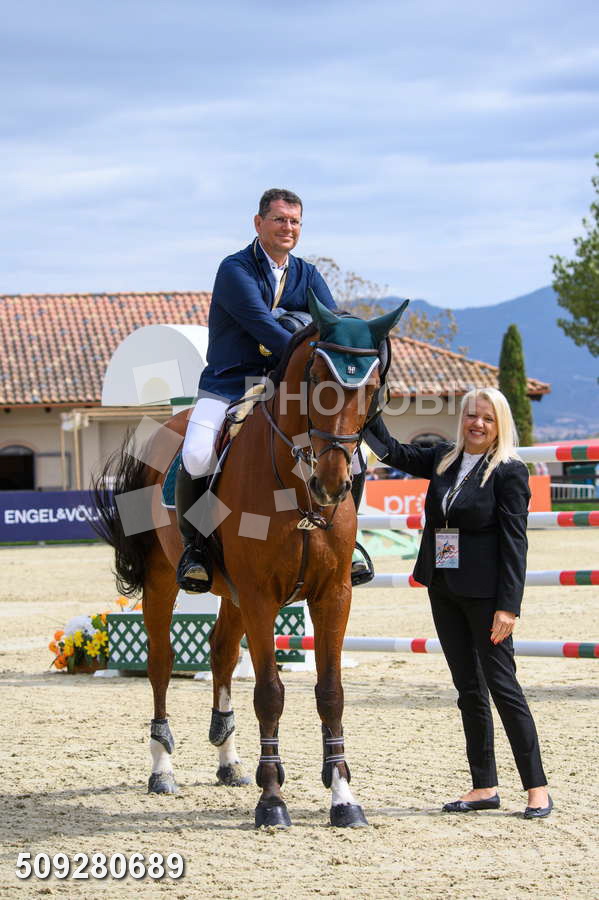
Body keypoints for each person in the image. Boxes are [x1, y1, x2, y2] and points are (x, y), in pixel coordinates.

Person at [364, 388, 552, 819]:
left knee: (504, 688)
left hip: (488, 598)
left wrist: (509, 606)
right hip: (444, 588)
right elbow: (391, 450)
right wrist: (367, 406)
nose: (477, 424)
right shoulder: (443, 458)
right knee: (468, 690)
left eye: (487, 418)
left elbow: (515, 544)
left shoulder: (509, 471)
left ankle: (537, 788)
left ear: (499, 424)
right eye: (472, 415)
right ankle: (484, 785)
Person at [176, 188, 338, 590]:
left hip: (287, 386)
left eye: (295, 221)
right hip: (230, 382)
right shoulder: (235, 269)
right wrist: (302, 347)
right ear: (258, 223)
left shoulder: (308, 274)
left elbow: (331, 326)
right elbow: (261, 324)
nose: (288, 228)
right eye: (280, 219)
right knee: (196, 453)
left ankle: (345, 542)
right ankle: (195, 548)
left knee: (351, 456)